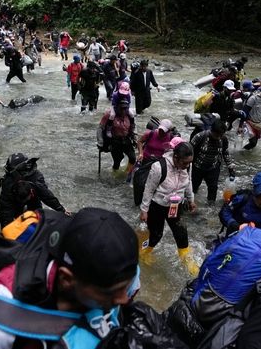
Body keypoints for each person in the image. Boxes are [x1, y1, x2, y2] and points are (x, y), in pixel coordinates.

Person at [0, 207, 140, 349]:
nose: (125, 298)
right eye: (111, 293)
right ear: (66, 279)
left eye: (127, 286)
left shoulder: (118, 274)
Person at [139, 142, 197, 274]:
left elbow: (189, 182)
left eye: (189, 163)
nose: (187, 166)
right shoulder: (159, 167)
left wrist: (191, 199)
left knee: (182, 233)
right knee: (156, 235)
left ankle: (187, 262)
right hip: (157, 206)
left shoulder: (187, 167)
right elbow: (148, 189)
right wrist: (144, 210)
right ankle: (144, 252)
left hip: (176, 205)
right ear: (175, 157)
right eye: (184, 163)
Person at [0, 153, 71, 228]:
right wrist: (6, 229)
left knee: (37, 217)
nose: (10, 173)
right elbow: (5, 209)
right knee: (16, 219)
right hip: (16, 200)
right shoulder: (8, 182)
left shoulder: (36, 179)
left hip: (33, 198)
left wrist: (61, 210)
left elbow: (47, 196)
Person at [191, 120, 235, 206]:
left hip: (213, 167)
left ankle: (210, 207)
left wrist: (230, 166)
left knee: (213, 188)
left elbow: (225, 152)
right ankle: (192, 203)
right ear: (212, 130)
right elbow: (189, 151)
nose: (218, 137)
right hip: (197, 167)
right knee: (193, 188)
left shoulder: (223, 139)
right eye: (217, 135)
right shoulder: (200, 136)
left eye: (221, 135)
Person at [99, 100, 136, 172]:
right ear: (117, 107)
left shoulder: (129, 116)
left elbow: (134, 127)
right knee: (117, 162)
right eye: (121, 108)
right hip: (115, 141)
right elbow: (100, 128)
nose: (123, 111)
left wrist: (135, 138)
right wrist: (100, 142)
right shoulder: (109, 115)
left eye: (125, 109)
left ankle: (126, 174)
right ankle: (115, 174)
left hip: (126, 139)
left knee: (133, 158)